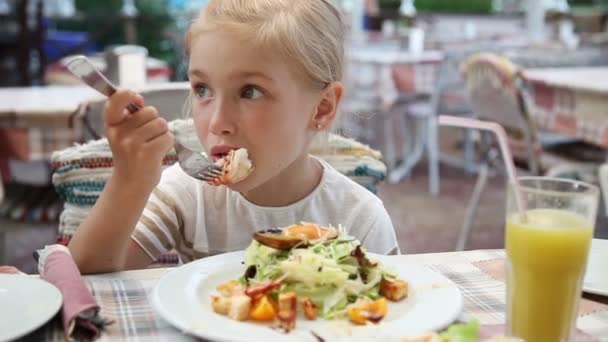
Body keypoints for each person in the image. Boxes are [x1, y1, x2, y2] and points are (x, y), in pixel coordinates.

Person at [68, 0, 399, 274]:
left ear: (321, 109)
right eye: (202, 89)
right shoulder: (184, 195)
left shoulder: (360, 219)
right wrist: (130, 180)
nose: (217, 123)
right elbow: (85, 276)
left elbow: (393, 312)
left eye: (250, 92)